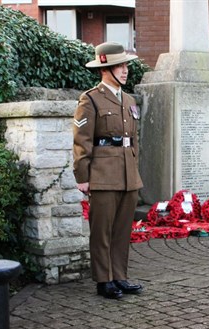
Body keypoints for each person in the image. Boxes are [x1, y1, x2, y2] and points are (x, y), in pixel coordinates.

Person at [73, 42, 143, 299]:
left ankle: (120, 276)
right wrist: (83, 176)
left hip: (127, 175)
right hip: (102, 174)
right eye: (119, 66)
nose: (125, 70)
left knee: (123, 230)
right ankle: (104, 280)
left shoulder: (128, 99)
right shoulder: (90, 99)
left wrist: (134, 169)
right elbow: (82, 140)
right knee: (101, 231)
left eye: (125, 65)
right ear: (105, 69)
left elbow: (133, 139)